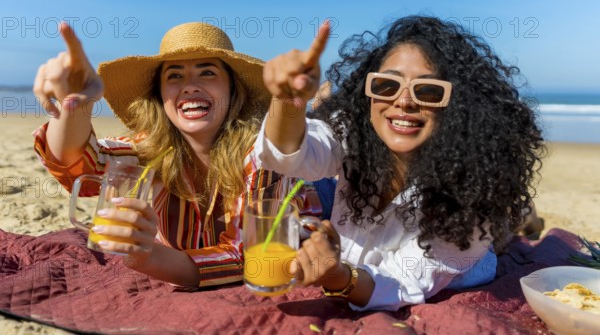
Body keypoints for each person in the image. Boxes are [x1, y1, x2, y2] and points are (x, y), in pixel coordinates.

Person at [254, 16, 546, 310]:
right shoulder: (353, 131)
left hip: (460, 267)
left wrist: (339, 277)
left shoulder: (472, 204)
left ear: (457, 106)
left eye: (428, 91)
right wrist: (287, 100)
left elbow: (400, 282)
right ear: (368, 93)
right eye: (386, 85)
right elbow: (288, 156)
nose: (404, 101)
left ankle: (520, 219)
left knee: (501, 236)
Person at [32, 22, 322, 288]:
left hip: (314, 197)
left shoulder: (263, 153)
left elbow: (249, 257)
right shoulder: (152, 149)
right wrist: (75, 105)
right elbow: (82, 166)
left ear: (234, 91)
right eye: (175, 75)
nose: (190, 85)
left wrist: (148, 257)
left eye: (207, 72)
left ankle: (322, 104)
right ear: (160, 96)